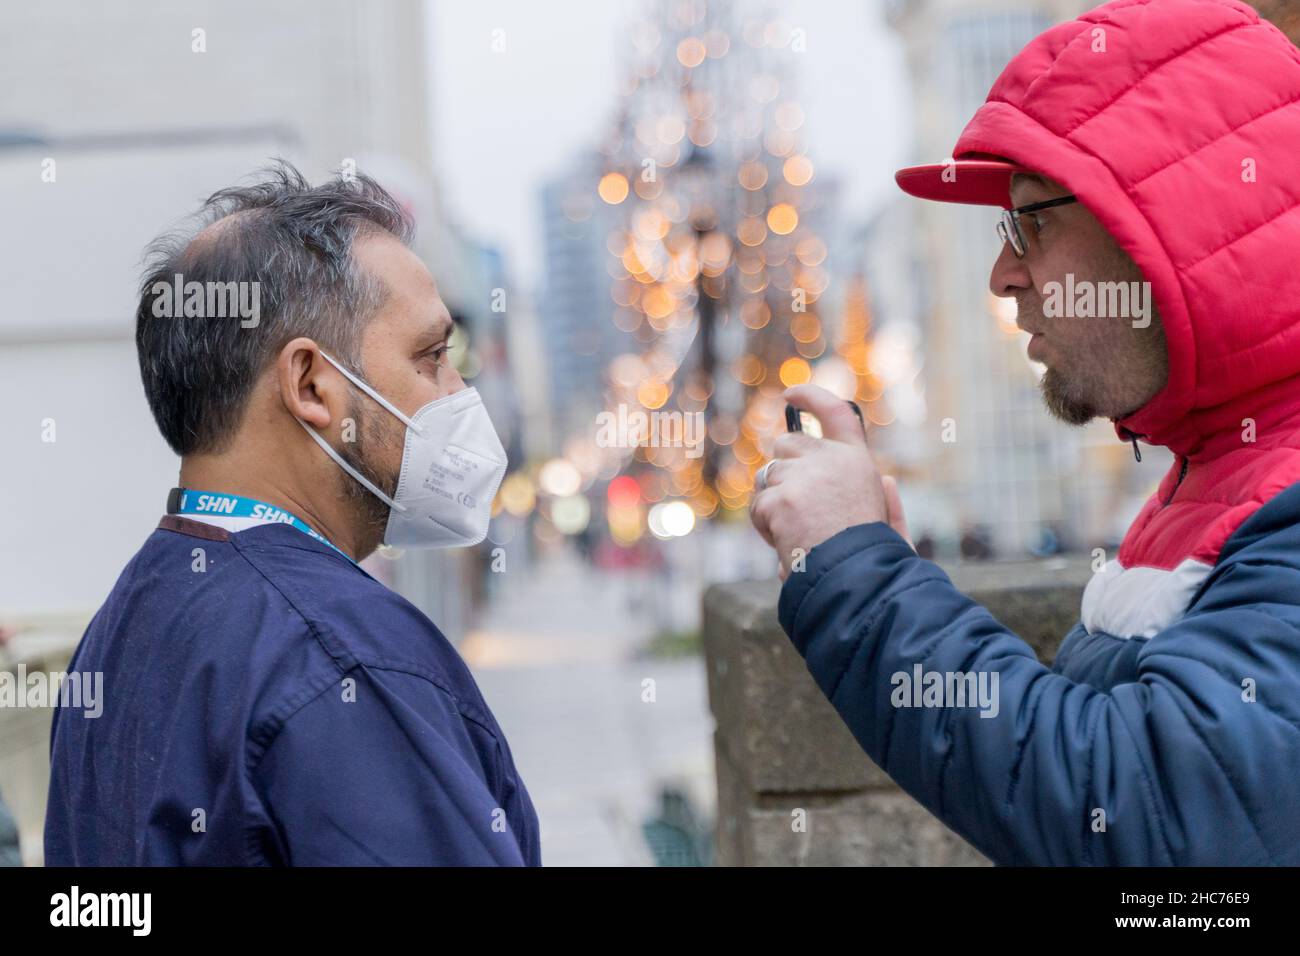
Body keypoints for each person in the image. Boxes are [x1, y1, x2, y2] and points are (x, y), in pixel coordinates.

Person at [750, 0, 1300, 864]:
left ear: (1163, 225)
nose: (1004, 275)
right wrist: (878, 571)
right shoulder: (1228, 469)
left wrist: (856, 570)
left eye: (1031, 222)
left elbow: (1153, 818)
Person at [45, 162, 540, 865]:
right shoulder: (347, 656)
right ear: (312, 384)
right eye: (431, 358)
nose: (460, 392)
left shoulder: (120, 628)